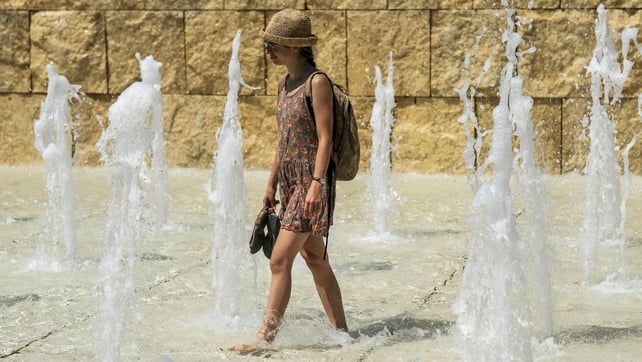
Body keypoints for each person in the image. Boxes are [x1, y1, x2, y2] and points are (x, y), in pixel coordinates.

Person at [230, 9, 348, 353]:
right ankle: (341, 332)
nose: (268, 49)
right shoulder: (285, 84)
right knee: (315, 259)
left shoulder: (317, 82)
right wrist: (270, 184)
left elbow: (324, 138)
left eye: (275, 44)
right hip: (289, 182)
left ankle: (263, 340)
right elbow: (284, 141)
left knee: (279, 260)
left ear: (296, 47)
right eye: (268, 43)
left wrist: (316, 184)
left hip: (311, 182)